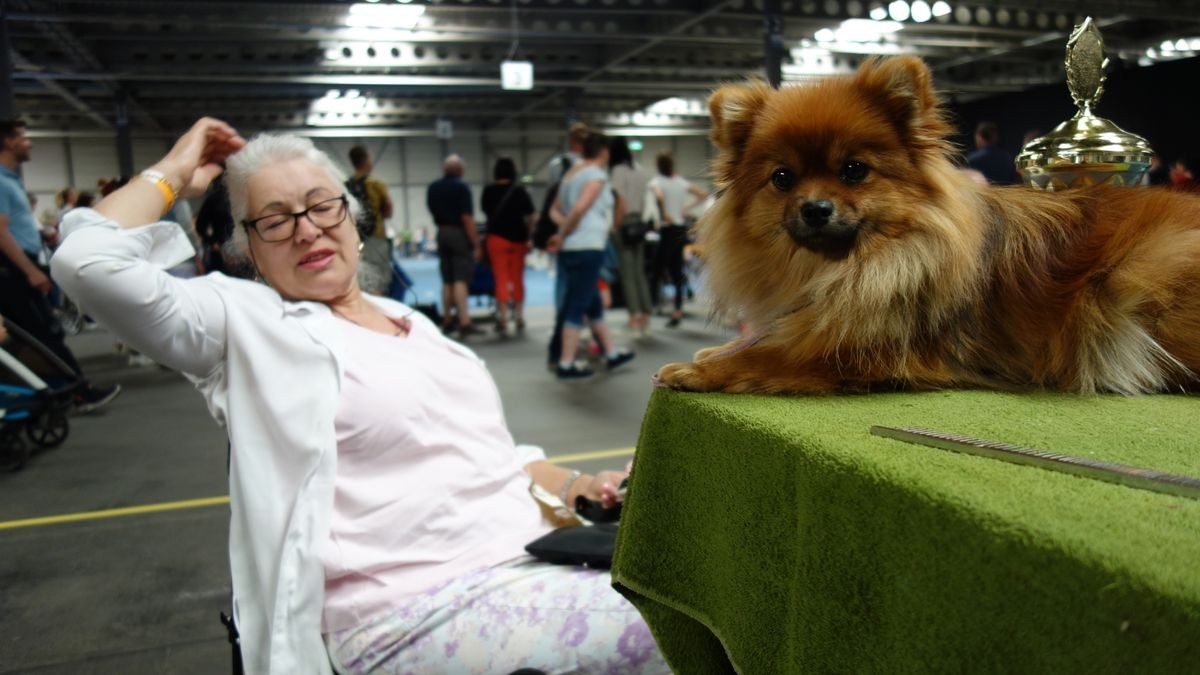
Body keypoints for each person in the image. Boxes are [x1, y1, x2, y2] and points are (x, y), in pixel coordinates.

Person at [51, 118, 668, 675]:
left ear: (352, 216)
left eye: (322, 205)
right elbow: (86, 262)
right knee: (684, 628)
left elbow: (494, 457)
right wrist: (175, 172)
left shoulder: (414, 324)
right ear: (249, 250)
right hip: (409, 612)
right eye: (275, 218)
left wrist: (579, 486)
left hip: (532, 561)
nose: (306, 229)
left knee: (718, 583)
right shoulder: (246, 324)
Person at [0, 118, 120, 413]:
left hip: (24, 264)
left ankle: (67, 390)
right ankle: (73, 393)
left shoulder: (11, 180)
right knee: (43, 333)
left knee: (43, 332)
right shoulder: (1, 181)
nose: (29, 143)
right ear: (7, 142)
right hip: (15, 270)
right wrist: (29, 271)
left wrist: (43, 234)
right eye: (23, 137)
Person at [548, 132, 636, 380]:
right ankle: (566, 363)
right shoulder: (596, 177)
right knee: (577, 305)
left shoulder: (570, 174)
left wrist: (563, 232)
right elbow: (579, 209)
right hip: (587, 248)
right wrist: (566, 233)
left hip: (572, 249)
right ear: (604, 152)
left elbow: (554, 211)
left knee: (593, 302)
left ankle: (611, 353)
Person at [649, 153, 707, 328]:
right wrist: (685, 208)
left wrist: (663, 211)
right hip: (680, 230)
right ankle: (677, 310)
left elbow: (658, 196)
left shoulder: (657, 181)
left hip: (668, 229)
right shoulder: (681, 182)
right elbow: (703, 194)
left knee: (657, 269)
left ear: (658, 166)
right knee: (677, 271)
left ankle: (651, 305)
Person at [426, 154, 481, 338]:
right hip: (458, 233)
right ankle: (464, 320)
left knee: (447, 279)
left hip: (441, 232)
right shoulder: (462, 187)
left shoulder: (433, 188)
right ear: (461, 171)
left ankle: (447, 318)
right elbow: (467, 218)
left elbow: (432, 209)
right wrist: (475, 242)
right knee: (460, 278)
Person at [481, 157, 535, 334]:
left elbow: (486, 212)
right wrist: (529, 235)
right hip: (518, 240)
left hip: (497, 239)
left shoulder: (488, 191)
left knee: (501, 278)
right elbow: (532, 215)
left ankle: (503, 318)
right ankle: (519, 317)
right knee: (518, 278)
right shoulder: (519, 191)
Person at [608, 138, 653, 334]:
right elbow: (644, 199)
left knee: (628, 275)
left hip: (624, 222)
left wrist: (615, 226)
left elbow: (620, 201)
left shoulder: (618, 171)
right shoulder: (639, 170)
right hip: (639, 223)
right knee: (640, 272)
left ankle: (633, 316)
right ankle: (646, 314)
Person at [345, 145, 394, 294]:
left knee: (359, 272)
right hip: (375, 236)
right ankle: (378, 306)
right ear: (366, 161)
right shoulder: (376, 184)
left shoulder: (346, 185)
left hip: (355, 237)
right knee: (378, 275)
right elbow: (389, 211)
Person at [966, 121, 1020, 185]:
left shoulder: (972, 159)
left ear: (979, 136)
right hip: (1004, 194)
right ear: (995, 136)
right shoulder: (1007, 158)